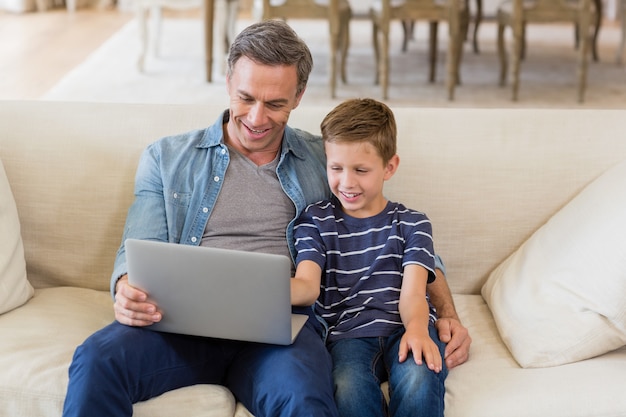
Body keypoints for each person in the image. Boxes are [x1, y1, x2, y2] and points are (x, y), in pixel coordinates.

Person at [62, 20, 469, 417]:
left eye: (275, 104)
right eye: (246, 98)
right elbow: (137, 248)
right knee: (96, 359)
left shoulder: (326, 160)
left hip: (281, 332)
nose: (257, 119)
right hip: (178, 327)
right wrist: (126, 287)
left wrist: (447, 316)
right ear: (227, 82)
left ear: (299, 96)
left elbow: (392, 234)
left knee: (305, 400)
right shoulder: (166, 158)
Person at [292, 98, 447, 417]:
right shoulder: (315, 220)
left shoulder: (413, 223)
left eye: (361, 170)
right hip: (348, 335)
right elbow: (308, 285)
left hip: (406, 325)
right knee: (347, 387)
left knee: (420, 376)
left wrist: (417, 330)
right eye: (336, 168)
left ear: (389, 167)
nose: (347, 182)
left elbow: (414, 295)